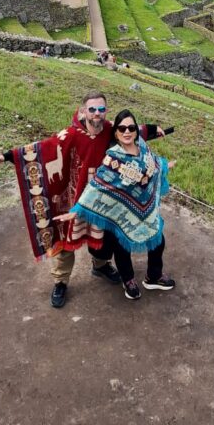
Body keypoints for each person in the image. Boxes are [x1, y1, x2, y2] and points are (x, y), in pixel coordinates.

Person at [0, 92, 163, 308]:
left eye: (101, 109)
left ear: (106, 111)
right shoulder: (70, 134)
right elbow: (43, 147)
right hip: (76, 196)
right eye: (92, 109)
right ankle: (60, 281)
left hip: (103, 196)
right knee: (66, 240)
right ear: (83, 111)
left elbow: (131, 130)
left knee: (103, 236)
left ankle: (100, 265)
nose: (97, 114)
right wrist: (6, 156)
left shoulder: (109, 129)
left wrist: (154, 130)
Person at [60, 109, 175, 301]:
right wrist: (77, 210)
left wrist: (164, 166)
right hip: (119, 212)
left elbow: (152, 167)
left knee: (158, 241)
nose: (127, 131)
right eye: (122, 128)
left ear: (136, 130)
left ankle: (153, 276)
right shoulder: (113, 158)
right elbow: (97, 186)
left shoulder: (143, 148)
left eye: (131, 127)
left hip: (146, 212)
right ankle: (128, 280)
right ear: (116, 133)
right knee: (122, 248)